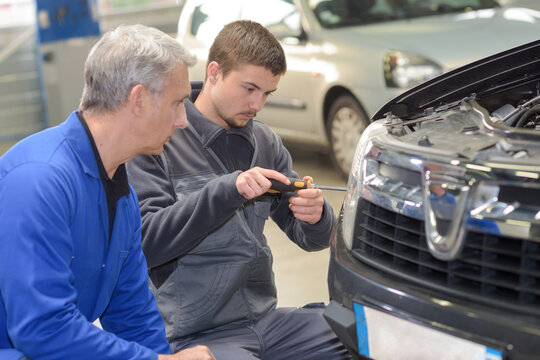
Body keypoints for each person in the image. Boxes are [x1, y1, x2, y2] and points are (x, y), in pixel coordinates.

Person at [127, 20, 352, 359]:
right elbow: (148, 243)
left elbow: (311, 240)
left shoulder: (265, 142)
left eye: (267, 93)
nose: (258, 104)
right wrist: (228, 190)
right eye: (249, 89)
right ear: (214, 72)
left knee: (363, 340)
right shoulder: (159, 141)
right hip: (196, 336)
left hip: (267, 322)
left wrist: (316, 216)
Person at [0, 24, 214, 360]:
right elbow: (42, 329)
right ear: (139, 99)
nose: (183, 120)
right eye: (178, 102)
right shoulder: (40, 181)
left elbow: (133, 316)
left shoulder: (121, 196)